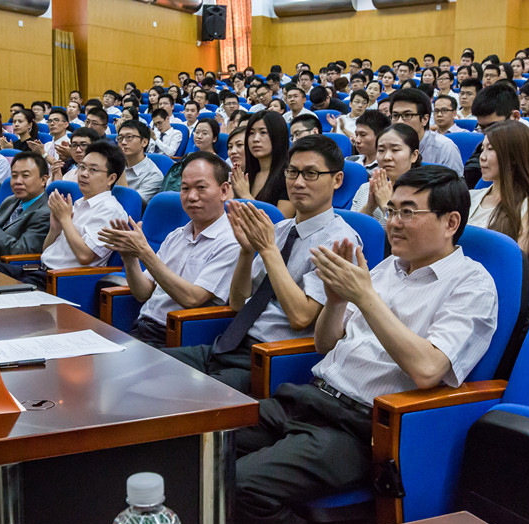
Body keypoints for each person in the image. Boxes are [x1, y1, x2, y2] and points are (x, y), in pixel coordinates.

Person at [234, 165, 497, 524]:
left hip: (359, 428)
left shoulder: (472, 284)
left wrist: (364, 296)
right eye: (392, 211)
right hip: (308, 399)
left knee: (241, 483)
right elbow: (325, 344)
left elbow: (428, 369)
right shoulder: (389, 267)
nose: (394, 223)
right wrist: (335, 301)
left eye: (408, 212)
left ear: (451, 222)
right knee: (202, 442)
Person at [163, 135, 360, 393]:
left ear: (337, 180)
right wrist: (246, 253)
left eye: (311, 174)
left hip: (270, 359)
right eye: (292, 172)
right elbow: (238, 302)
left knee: (179, 392)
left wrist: (268, 250)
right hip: (229, 343)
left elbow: (301, 317)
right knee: (151, 367)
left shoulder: (340, 242)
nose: (298, 182)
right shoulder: (280, 229)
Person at [98, 152, 241, 347]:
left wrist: (145, 253)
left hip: (176, 337)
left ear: (224, 191)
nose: (191, 197)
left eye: (201, 188)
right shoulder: (176, 235)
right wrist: (130, 258)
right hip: (141, 328)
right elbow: (143, 292)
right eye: (185, 188)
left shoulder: (231, 242)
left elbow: (192, 298)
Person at [0, 141, 128, 289]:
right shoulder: (78, 203)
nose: (83, 173)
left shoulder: (110, 210)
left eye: (93, 170)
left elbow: (85, 256)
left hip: (62, 281)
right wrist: (54, 229)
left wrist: (65, 220)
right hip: (39, 270)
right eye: (82, 167)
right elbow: (46, 250)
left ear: (111, 178)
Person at [467, 121, 529, 250]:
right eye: (482, 149)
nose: (482, 157)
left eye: (490, 149)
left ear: (514, 156)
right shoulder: (469, 196)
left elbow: (516, 259)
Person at [352, 123, 421, 223]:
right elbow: (351, 230)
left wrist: (386, 205)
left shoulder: (423, 194)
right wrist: (369, 207)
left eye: (395, 150)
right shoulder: (366, 189)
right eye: (381, 150)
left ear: (414, 155)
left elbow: (409, 231)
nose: (386, 157)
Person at [464, 83, 529, 188]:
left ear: (515, 116)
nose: (488, 134)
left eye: (493, 126)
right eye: (482, 128)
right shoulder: (477, 157)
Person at [231, 111, 292, 218]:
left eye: (263, 132)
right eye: (251, 133)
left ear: (277, 135)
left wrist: (245, 195)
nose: (256, 139)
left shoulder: (289, 176)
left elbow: (281, 223)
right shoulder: (247, 174)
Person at [389, 88, 463, 174]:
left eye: (407, 115)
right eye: (395, 115)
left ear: (425, 119)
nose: (399, 121)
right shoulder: (387, 146)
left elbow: (454, 182)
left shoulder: (445, 148)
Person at [157, 118, 222, 192]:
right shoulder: (188, 156)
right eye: (197, 132)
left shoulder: (217, 163)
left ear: (214, 138)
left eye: (204, 133)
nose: (199, 136)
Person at [116, 120, 163, 203]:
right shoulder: (110, 164)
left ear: (144, 142)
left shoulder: (154, 175)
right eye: (120, 138)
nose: (123, 142)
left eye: (129, 137)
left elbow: (130, 204)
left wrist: (120, 168)